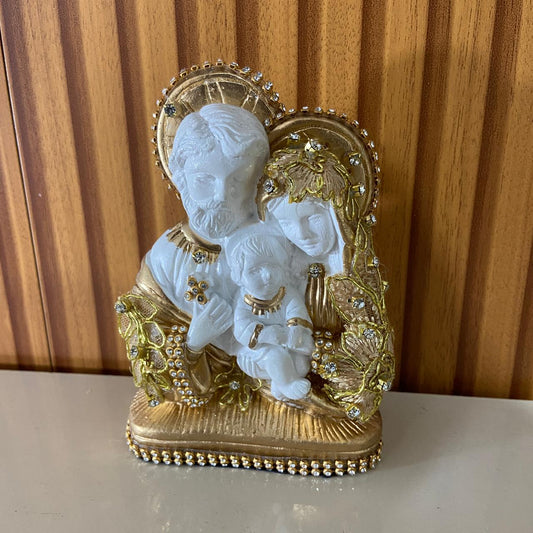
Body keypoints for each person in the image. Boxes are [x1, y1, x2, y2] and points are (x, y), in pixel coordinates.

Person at [227, 227, 314, 400]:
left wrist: (295, 330)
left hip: (286, 342)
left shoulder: (286, 292)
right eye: (254, 270)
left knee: (302, 364)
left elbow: (296, 311)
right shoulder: (243, 302)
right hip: (258, 351)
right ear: (239, 277)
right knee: (276, 356)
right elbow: (242, 328)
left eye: (273, 266)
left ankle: (279, 384)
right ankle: (287, 384)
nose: (267, 275)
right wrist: (265, 334)